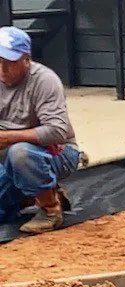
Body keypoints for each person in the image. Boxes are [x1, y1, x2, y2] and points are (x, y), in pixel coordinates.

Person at [0, 26, 80, 234]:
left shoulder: (44, 80)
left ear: (26, 60)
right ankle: (35, 193)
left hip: (54, 152)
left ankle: (50, 210)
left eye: (9, 62)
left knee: (20, 153)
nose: (2, 68)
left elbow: (57, 131)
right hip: (7, 158)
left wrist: (8, 138)